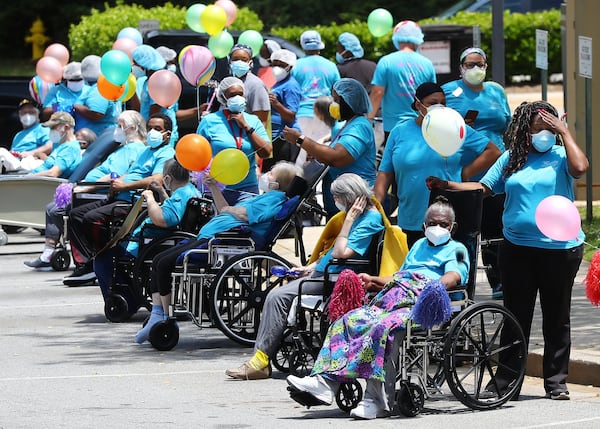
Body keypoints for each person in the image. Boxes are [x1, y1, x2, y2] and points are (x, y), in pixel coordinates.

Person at [426, 101, 588, 401]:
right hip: (517, 248)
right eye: (538, 130)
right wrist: (447, 184)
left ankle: (556, 382)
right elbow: (483, 188)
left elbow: (581, 168)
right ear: (525, 132)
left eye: (548, 130)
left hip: (560, 249)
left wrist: (564, 132)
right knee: (515, 315)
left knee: (557, 316)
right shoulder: (512, 158)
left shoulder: (562, 155)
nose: (543, 135)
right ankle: (506, 382)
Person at [286, 196, 469, 419]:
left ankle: (377, 400)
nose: (437, 228)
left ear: (452, 227)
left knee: (382, 329)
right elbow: (399, 276)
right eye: (432, 223)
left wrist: (434, 287)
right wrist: (373, 279)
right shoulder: (419, 245)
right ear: (424, 226)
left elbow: (454, 275)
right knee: (348, 320)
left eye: (443, 224)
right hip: (395, 294)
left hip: (425, 302)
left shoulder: (457, 249)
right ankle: (326, 382)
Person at [225, 173, 384, 380]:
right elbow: (331, 255)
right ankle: (265, 353)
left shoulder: (369, 219)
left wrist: (349, 220)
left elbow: (341, 253)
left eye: (338, 197)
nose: (335, 202)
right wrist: (311, 267)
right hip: (324, 272)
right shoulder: (359, 216)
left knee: (277, 297)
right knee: (282, 289)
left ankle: (260, 361)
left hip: (336, 278)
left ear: (350, 198)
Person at [134, 161, 303, 344]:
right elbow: (226, 210)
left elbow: (244, 215)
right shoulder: (266, 197)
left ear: (277, 183)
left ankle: (164, 317)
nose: (265, 174)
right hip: (209, 237)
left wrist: (231, 209)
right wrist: (213, 186)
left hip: (222, 241)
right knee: (159, 259)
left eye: (271, 173)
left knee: (165, 263)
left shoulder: (274, 199)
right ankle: (157, 314)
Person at [374, 82, 500, 247]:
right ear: (418, 105)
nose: (439, 107)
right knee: (414, 271)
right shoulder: (399, 131)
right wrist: (375, 207)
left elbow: (493, 151)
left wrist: (466, 173)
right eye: (433, 103)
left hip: (449, 220)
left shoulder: (453, 127)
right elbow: (385, 173)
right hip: (411, 219)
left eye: (443, 103)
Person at [24, 110, 147, 270]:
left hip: (100, 192)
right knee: (56, 210)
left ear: (131, 128)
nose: (116, 129)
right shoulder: (123, 148)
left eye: (119, 125)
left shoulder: (135, 149)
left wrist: (82, 188)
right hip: (90, 190)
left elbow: (113, 175)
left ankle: (84, 258)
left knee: (58, 211)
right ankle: (74, 255)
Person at [64, 113, 175, 285]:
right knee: (75, 215)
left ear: (167, 134)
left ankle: (101, 260)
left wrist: (124, 186)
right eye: (150, 128)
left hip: (135, 202)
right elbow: (131, 173)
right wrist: (118, 183)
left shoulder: (166, 153)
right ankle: (85, 264)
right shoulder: (146, 151)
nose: (152, 131)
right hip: (118, 196)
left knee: (91, 219)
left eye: (157, 129)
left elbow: (156, 180)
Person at [442, 47, 511, 300]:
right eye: (470, 64)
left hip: (497, 172)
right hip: (464, 174)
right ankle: (463, 282)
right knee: (465, 232)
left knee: (497, 230)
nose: (475, 69)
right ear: (461, 67)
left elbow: (507, 124)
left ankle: (499, 282)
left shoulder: (496, 91)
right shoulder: (450, 92)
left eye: (480, 64)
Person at [93, 158, 199, 313]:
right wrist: (162, 192)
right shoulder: (190, 190)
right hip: (157, 240)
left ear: (167, 179)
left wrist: (150, 199)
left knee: (102, 259)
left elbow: (163, 219)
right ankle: (131, 296)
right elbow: (173, 211)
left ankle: (128, 301)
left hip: (150, 243)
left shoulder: (181, 194)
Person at [281, 78, 376, 220]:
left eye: (336, 100)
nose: (333, 104)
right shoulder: (347, 125)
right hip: (341, 205)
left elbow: (337, 157)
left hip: (355, 205)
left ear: (349, 102)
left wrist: (300, 139)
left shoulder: (359, 126)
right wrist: (317, 153)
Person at [197, 77, 272, 205]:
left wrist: (247, 127)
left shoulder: (253, 121)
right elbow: (198, 155)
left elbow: (266, 152)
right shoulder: (209, 121)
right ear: (223, 98)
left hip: (247, 187)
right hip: (217, 188)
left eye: (240, 94)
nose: (237, 97)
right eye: (232, 95)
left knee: (244, 222)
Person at [368, 21, 436, 143]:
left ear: (397, 38)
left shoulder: (386, 62)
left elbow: (377, 94)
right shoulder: (427, 64)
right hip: (421, 124)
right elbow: (433, 96)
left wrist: (368, 120)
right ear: (417, 39)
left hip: (393, 127)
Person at [292, 30, 340, 143]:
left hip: (302, 114)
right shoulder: (331, 66)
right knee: (322, 151)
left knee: (302, 153)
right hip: (326, 115)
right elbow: (338, 91)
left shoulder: (295, 66)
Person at [262, 49, 302, 172]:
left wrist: (276, 104)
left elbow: (290, 116)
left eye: (281, 65)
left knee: (281, 176)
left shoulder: (291, 86)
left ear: (289, 67)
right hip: (275, 137)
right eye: (275, 64)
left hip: (285, 138)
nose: (277, 68)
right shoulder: (279, 83)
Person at [73, 54, 120, 137]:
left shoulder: (99, 88)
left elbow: (97, 114)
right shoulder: (58, 91)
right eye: (72, 80)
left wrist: (76, 107)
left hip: (98, 138)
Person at [227, 44, 271, 131]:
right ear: (230, 62)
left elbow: (262, 121)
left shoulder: (256, 85)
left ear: (250, 63)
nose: (239, 62)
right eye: (235, 59)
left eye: (243, 60)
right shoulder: (228, 82)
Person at [0, 99, 50, 173]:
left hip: (31, 162)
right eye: (24, 113)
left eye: (31, 112)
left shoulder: (42, 128)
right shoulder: (18, 135)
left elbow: (50, 145)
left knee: (1, 152)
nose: (27, 115)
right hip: (17, 163)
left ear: (37, 114)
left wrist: (31, 153)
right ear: (20, 116)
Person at [27, 112, 82, 178]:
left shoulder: (70, 148)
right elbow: (52, 163)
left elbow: (53, 173)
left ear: (66, 128)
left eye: (53, 128)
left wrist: (27, 178)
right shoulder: (59, 144)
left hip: (36, 183)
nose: (51, 131)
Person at [42, 61, 89, 126]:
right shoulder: (56, 91)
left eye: (79, 79)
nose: (76, 82)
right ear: (66, 79)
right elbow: (45, 113)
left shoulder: (90, 90)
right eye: (72, 80)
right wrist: (59, 107)